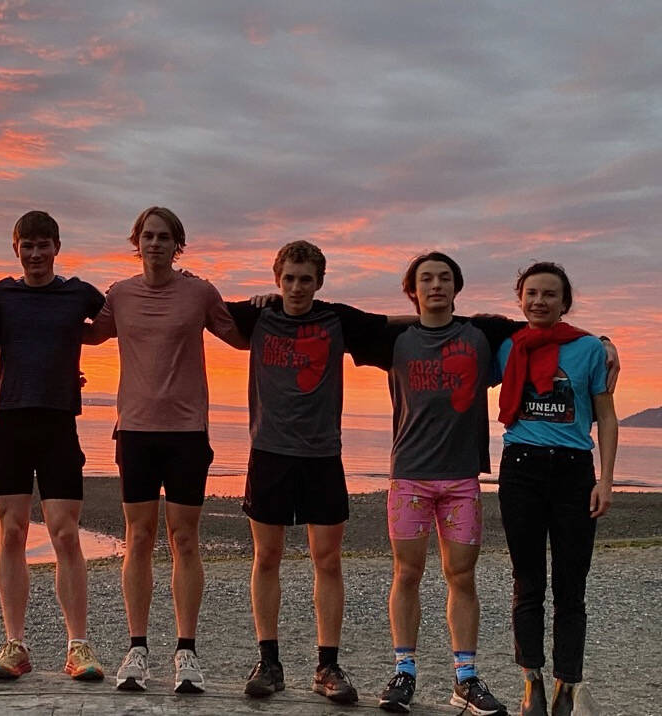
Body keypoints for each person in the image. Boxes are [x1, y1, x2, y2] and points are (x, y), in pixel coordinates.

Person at [85, 206, 248, 694]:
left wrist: (266, 306)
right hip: (134, 431)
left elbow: (239, 338)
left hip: (186, 433)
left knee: (184, 540)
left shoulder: (199, 292)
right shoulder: (119, 295)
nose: (154, 244)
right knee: (137, 537)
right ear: (136, 242)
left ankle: (186, 652)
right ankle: (136, 649)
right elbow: (86, 333)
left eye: (164, 237)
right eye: (147, 236)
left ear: (177, 245)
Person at [362, 252, 531, 715]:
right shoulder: (393, 339)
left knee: (461, 577)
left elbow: (546, 328)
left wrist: (603, 340)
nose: (435, 285)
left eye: (443, 278)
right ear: (412, 289)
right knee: (407, 574)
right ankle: (404, 671)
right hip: (409, 476)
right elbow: (336, 321)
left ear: (456, 286)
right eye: (425, 279)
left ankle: (466, 678)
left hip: (461, 479)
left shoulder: (482, 333)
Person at [226, 240, 388, 705]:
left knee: (328, 560)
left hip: (321, 455)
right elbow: (199, 308)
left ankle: (326, 665)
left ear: (320, 282)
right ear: (277, 279)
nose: (297, 287)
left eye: (306, 279)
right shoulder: (256, 315)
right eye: (289, 278)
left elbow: (394, 326)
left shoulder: (337, 319)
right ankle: (269, 661)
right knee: (267, 557)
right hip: (269, 453)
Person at [0, 211, 106, 682]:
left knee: (65, 533)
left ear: (57, 246)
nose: (35, 254)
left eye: (43, 245)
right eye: (26, 246)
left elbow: (117, 319)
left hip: (58, 425)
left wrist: (72, 351)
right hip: (10, 421)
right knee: (12, 530)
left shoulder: (78, 293)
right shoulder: (2, 295)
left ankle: (79, 646)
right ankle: (15, 644)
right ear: (16, 249)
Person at [496, 262, 617, 716]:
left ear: (565, 303)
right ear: (519, 298)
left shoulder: (588, 349)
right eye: (532, 293)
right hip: (521, 468)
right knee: (527, 583)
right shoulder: (506, 346)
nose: (540, 301)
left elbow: (605, 415)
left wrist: (605, 480)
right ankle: (532, 681)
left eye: (550, 294)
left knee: (572, 585)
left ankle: (567, 683)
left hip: (573, 473)